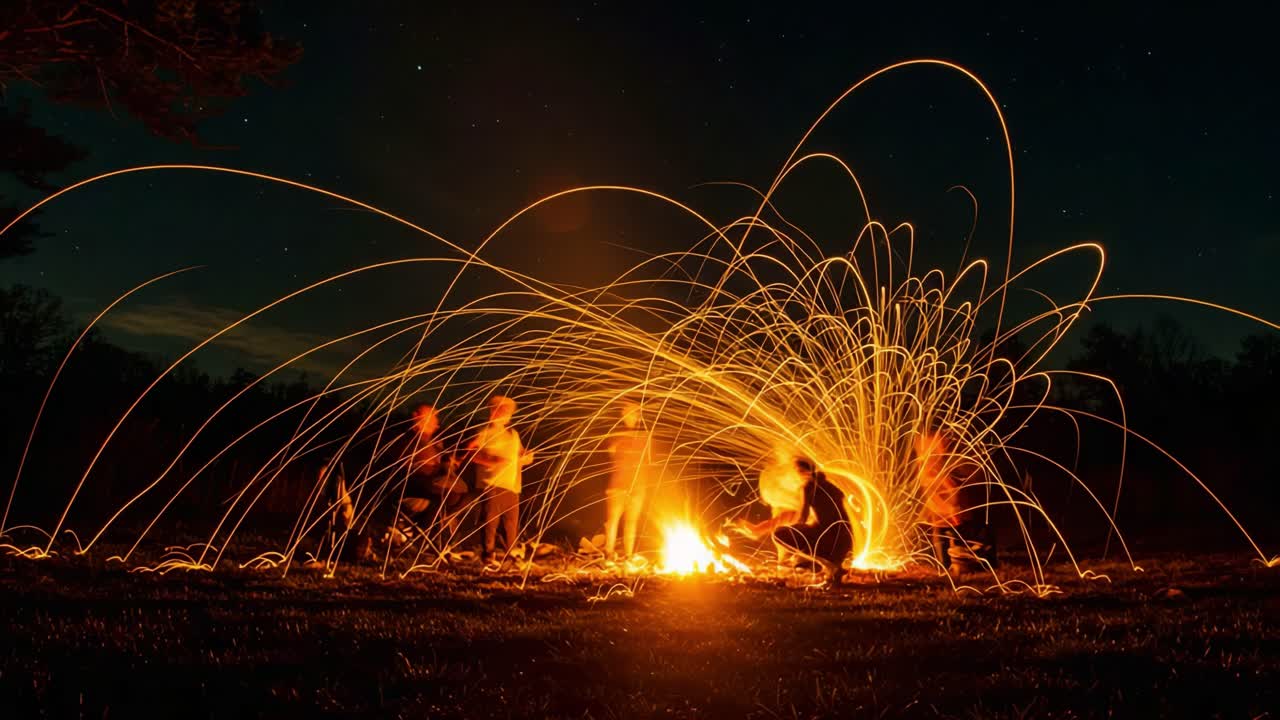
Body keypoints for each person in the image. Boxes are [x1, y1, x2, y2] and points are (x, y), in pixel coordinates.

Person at [729, 456, 852, 586]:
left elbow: (801, 518)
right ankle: (828, 565)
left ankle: (829, 566)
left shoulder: (807, 487)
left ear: (798, 471)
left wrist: (789, 548)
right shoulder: (830, 486)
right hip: (844, 541)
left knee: (779, 535)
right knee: (799, 556)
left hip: (826, 539)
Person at [467, 395, 533, 567]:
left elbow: (520, 453)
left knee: (511, 523)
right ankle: (488, 555)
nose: (508, 413)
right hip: (492, 483)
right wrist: (488, 460)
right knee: (491, 521)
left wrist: (526, 457)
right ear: (493, 410)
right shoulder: (485, 432)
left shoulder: (513, 434)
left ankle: (510, 554)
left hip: (512, 485)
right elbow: (469, 451)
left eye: (509, 410)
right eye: (504, 409)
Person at [604, 401, 654, 563]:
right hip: (618, 486)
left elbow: (648, 461)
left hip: (638, 486)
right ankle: (608, 554)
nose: (630, 416)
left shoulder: (645, 437)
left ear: (638, 416)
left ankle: (629, 555)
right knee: (613, 520)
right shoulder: (616, 437)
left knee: (631, 521)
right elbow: (611, 456)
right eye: (627, 413)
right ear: (623, 415)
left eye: (634, 413)